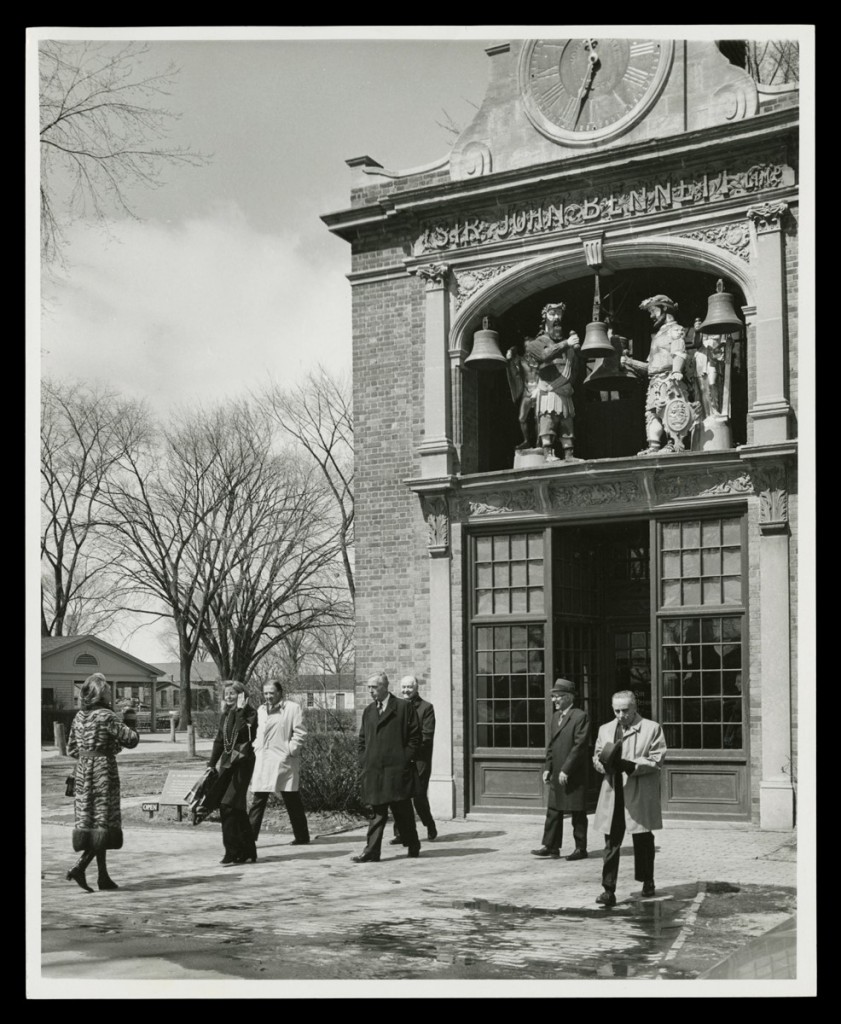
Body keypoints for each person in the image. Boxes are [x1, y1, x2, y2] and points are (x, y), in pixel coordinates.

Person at [592, 690, 667, 907]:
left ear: (635, 708)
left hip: (638, 790)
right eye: (616, 711)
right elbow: (596, 755)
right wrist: (602, 764)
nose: (620, 715)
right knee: (611, 842)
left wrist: (630, 765)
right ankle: (608, 890)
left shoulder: (651, 728)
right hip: (613, 791)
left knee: (643, 839)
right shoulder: (605, 729)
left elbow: (657, 759)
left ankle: (647, 880)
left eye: (625, 710)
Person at [65, 673, 139, 893]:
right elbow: (131, 740)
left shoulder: (79, 716)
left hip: (83, 773)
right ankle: (80, 867)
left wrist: (93, 751)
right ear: (100, 693)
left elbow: (71, 749)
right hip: (103, 773)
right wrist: (130, 717)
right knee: (103, 822)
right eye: (107, 690)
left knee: (93, 824)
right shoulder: (107, 716)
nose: (110, 693)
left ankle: (103, 876)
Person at [352, 672, 421, 863]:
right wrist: (364, 759)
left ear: (385, 687)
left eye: (374, 687)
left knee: (403, 812)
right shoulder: (369, 711)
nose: (370, 691)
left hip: (397, 772)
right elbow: (362, 739)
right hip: (375, 771)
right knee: (377, 813)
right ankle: (372, 851)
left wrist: (404, 759)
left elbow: (415, 738)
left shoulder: (403, 707)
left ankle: (413, 843)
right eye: (369, 687)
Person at [506, 302, 580, 461]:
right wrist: (566, 343)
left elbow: (574, 368)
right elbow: (545, 355)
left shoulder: (569, 344)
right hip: (548, 389)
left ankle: (569, 454)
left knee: (567, 423)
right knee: (548, 421)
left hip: (564, 390)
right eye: (552, 314)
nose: (557, 318)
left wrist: (568, 384)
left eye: (559, 314)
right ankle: (548, 454)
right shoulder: (536, 344)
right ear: (545, 317)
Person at [621, 294, 691, 455]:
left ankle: (674, 443)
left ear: (664, 308)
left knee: (670, 409)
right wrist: (629, 362)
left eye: (653, 311)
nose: (651, 316)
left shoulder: (675, 329)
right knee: (652, 413)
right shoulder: (658, 335)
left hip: (669, 379)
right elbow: (651, 367)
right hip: (655, 381)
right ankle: (654, 446)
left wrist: (676, 371)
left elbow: (679, 352)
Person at [531, 678, 590, 862]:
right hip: (557, 772)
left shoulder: (580, 716)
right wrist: (548, 768)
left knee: (577, 812)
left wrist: (566, 769)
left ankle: (580, 848)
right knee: (553, 811)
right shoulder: (555, 717)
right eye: (553, 697)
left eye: (558, 696)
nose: (554, 700)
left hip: (574, 773)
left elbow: (579, 746)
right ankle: (551, 846)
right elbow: (551, 745)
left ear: (569, 697)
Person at [248, 679, 310, 846]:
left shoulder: (292, 708)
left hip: (283, 760)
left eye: (272, 693)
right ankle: (249, 839)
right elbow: (258, 732)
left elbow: (300, 732)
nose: (268, 696)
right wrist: (256, 748)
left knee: (291, 798)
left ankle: (302, 836)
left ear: (280, 693)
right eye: (265, 693)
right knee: (258, 799)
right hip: (263, 760)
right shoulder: (261, 710)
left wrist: (291, 750)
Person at [206, 681, 258, 866]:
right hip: (227, 763)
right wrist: (211, 764)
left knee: (227, 805)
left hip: (242, 763)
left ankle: (232, 851)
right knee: (236, 808)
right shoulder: (226, 715)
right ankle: (248, 851)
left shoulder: (250, 713)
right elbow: (220, 740)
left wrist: (241, 710)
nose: (228, 697)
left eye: (232, 693)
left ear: (242, 695)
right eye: (226, 694)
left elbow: (245, 734)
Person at [390, 675, 437, 846]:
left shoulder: (426, 708)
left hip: (420, 759)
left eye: (409, 687)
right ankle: (400, 833)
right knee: (399, 796)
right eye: (403, 687)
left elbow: (427, 736)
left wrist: (409, 751)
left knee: (418, 796)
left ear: (416, 688)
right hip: (401, 759)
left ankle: (429, 824)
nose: (406, 690)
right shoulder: (396, 708)